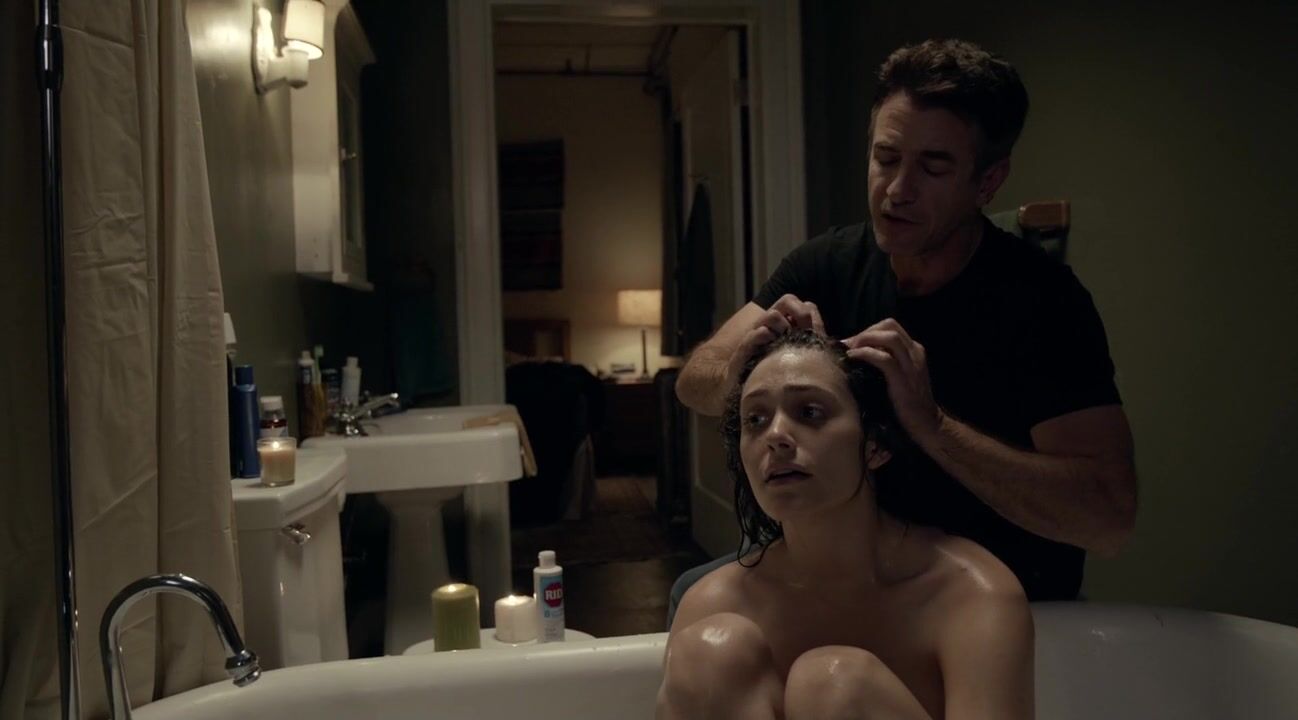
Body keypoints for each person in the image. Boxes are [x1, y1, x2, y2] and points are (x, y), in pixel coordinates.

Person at [674, 38, 1136, 603]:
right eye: (886, 158)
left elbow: (1108, 521)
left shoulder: (1043, 302)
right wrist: (744, 363)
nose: (897, 191)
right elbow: (693, 382)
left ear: (987, 182)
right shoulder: (826, 265)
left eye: (933, 168)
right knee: (691, 596)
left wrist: (932, 426)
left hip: (992, 597)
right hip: (852, 568)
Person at [657, 330, 1034, 720]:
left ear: (876, 445)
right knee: (710, 652)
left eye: (810, 412)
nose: (775, 436)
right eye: (755, 419)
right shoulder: (712, 601)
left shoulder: (968, 593)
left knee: (833, 684)